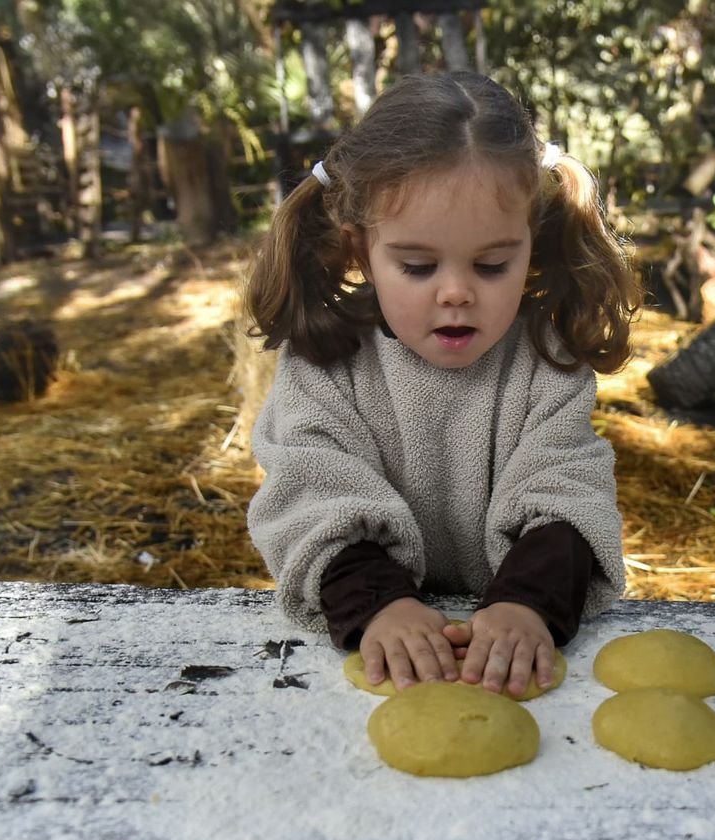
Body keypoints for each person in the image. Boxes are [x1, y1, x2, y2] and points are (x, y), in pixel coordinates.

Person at [244, 72, 641, 700]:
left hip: (508, 657)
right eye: (417, 266)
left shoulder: (547, 361)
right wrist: (380, 606)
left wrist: (526, 606)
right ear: (360, 250)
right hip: (373, 662)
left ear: (531, 245)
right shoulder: (325, 364)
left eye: (492, 265)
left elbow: (566, 488)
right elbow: (310, 495)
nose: (456, 292)